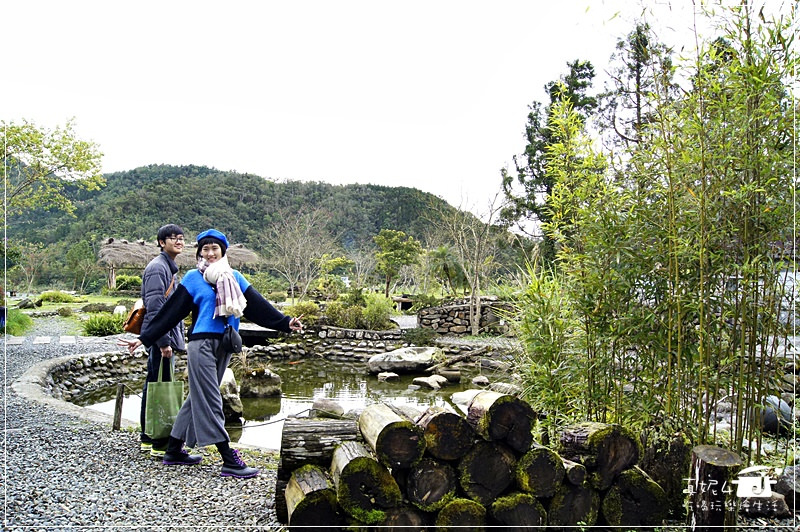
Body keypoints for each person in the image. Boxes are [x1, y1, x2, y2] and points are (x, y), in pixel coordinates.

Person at [120, 229, 303, 479]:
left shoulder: (234, 277)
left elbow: (258, 307)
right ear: (199, 253)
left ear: (223, 251)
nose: (210, 253)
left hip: (226, 344)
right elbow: (171, 313)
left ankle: (173, 450)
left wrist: (285, 322)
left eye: (214, 248)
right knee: (210, 399)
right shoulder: (194, 279)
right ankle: (228, 458)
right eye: (205, 249)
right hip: (201, 345)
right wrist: (145, 337)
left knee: (197, 397)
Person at [139, 224, 187, 457]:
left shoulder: (168, 267)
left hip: (162, 337)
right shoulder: (158, 269)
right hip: (162, 339)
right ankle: (158, 441)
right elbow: (157, 309)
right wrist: (164, 342)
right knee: (160, 386)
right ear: (161, 242)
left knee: (155, 385)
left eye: (180, 238)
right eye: (172, 238)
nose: (178, 241)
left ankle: (149, 437)